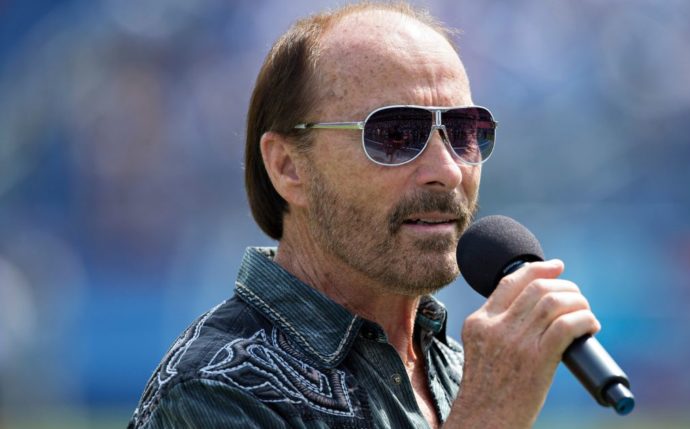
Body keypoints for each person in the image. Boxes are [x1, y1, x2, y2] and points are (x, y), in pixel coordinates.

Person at [128, 2, 600, 428]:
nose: (448, 171)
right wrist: (489, 417)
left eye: (464, 131)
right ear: (288, 166)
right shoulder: (213, 390)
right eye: (394, 134)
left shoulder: (454, 370)